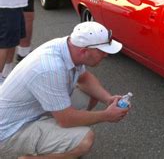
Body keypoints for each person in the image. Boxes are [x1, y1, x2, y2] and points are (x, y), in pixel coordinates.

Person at [0, 21, 129, 158]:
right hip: (10, 131)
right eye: (102, 51)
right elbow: (66, 119)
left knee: (90, 95)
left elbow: (84, 78)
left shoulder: (68, 47)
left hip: (29, 112)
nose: (106, 55)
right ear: (84, 51)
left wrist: (108, 99)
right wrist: (106, 115)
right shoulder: (50, 68)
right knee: (84, 140)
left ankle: (58, 141)